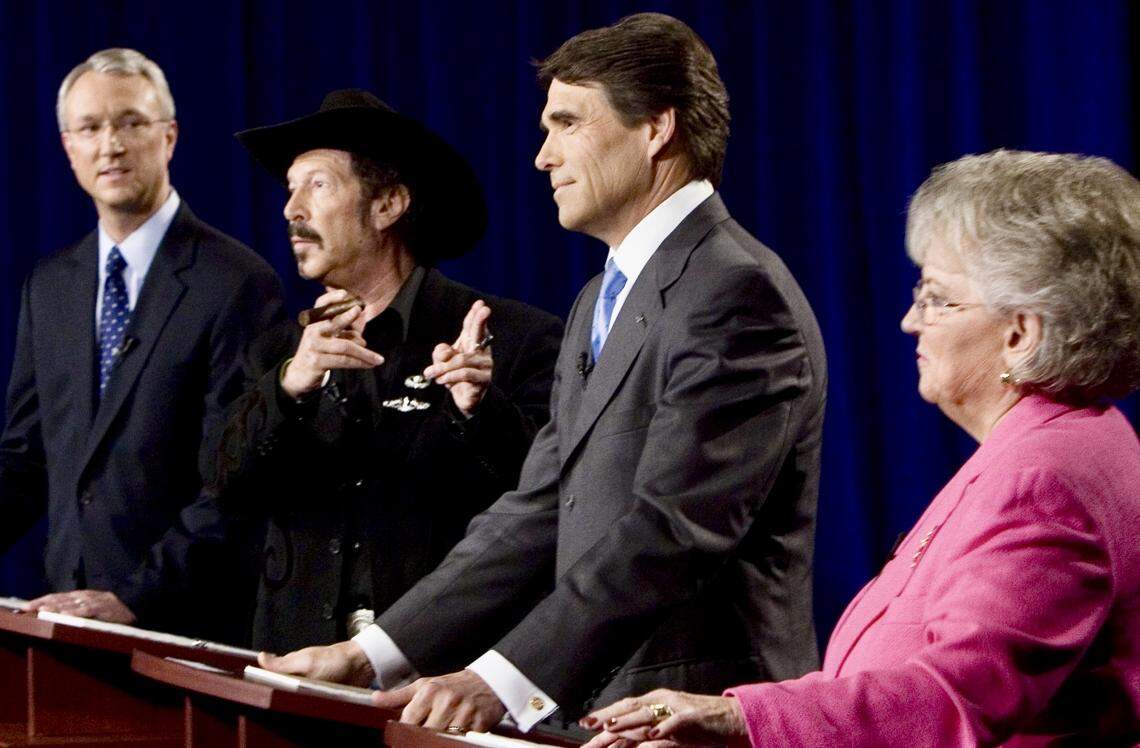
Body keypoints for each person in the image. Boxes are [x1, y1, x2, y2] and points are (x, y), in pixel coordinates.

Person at [260, 12, 827, 734]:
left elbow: (672, 530)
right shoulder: (600, 297)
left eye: (567, 124)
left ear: (656, 129)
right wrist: (368, 655)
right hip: (598, 713)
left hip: (687, 715)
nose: (542, 157)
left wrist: (500, 680)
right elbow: (537, 509)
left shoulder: (735, 292)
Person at [583, 149, 1140, 747]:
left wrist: (740, 719)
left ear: (1020, 334)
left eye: (937, 298)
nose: (910, 320)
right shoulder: (1057, 444)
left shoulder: (1043, 481)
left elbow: (951, 700)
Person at [216, 89, 563, 653]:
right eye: (290, 189)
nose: (291, 210)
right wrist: (290, 388)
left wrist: (479, 412)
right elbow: (224, 483)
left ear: (387, 206)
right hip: (301, 661)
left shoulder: (513, 337)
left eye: (317, 185)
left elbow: (551, 503)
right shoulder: (278, 352)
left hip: (442, 670)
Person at [0, 48, 284, 637]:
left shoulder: (235, 282)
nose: (111, 145)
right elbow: (25, 460)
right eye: (90, 128)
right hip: (67, 620)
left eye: (130, 122)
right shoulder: (48, 287)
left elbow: (237, 480)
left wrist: (133, 598)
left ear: (169, 137)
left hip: (188, 623)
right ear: (68, 147)